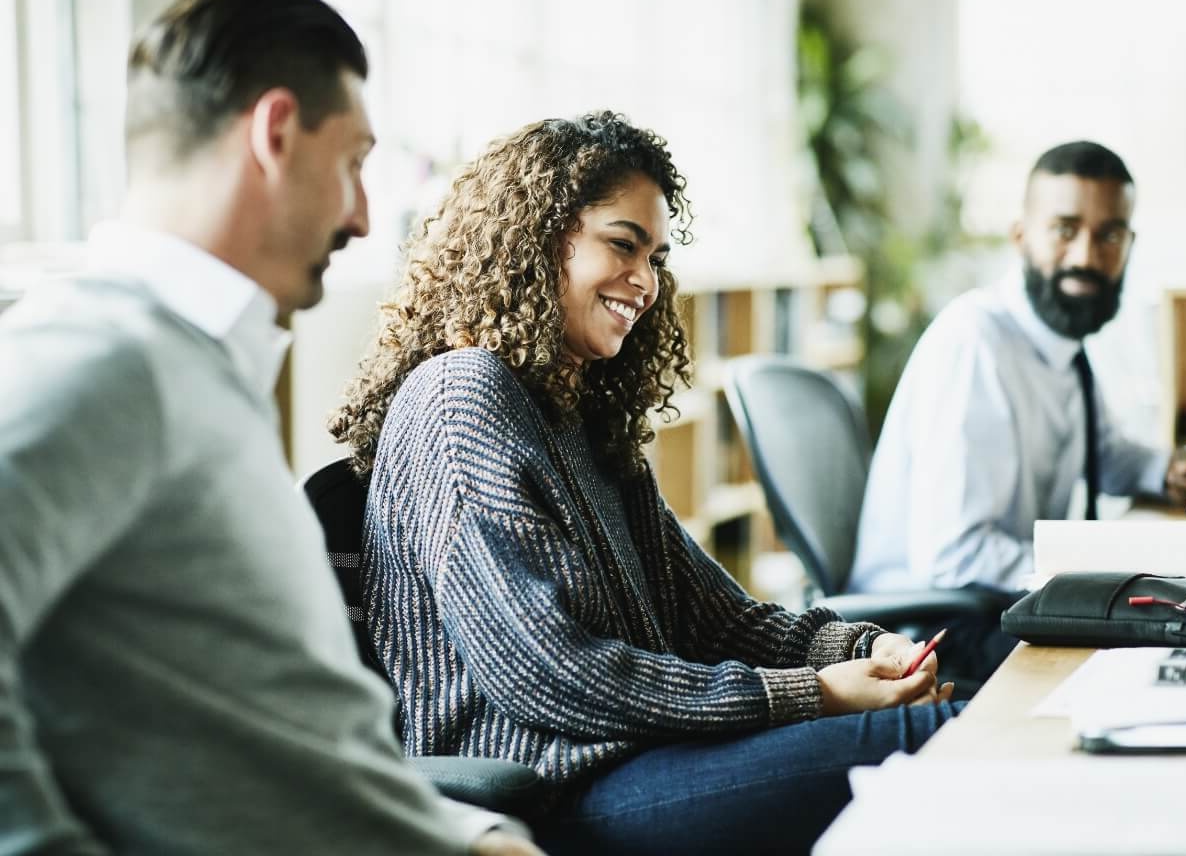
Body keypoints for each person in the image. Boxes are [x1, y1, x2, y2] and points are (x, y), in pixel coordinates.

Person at [0, 0, 540, 855]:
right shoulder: (101, 361)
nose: (364, 216)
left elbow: (261, 731)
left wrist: (468, 834)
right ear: (275, 133)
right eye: (355, 163)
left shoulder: (193, 370)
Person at [330, 111, 960, 856]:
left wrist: (860, 646)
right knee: (938, 741)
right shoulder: (460, 398)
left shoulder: (578, 415)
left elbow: (718, 621)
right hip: (555, 797)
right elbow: (548, 674)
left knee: (965, 724)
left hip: (641, 761)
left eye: (655, 256)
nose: (645, 283)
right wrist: (814, 695)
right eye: (622, 245)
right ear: (537, 240)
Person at [849, 140, 1186, 678]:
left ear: (1129, 245)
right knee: (1142, 655)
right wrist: (1094, 572)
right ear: (1021, 237)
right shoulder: (976, 344)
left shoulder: (1062, 348)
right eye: (1064, 228)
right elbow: (954, 555)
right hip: (931, 630)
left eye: (1108, 235)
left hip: (997, 606)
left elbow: (1101, 452)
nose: (1086, 255)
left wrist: (1166, 469)